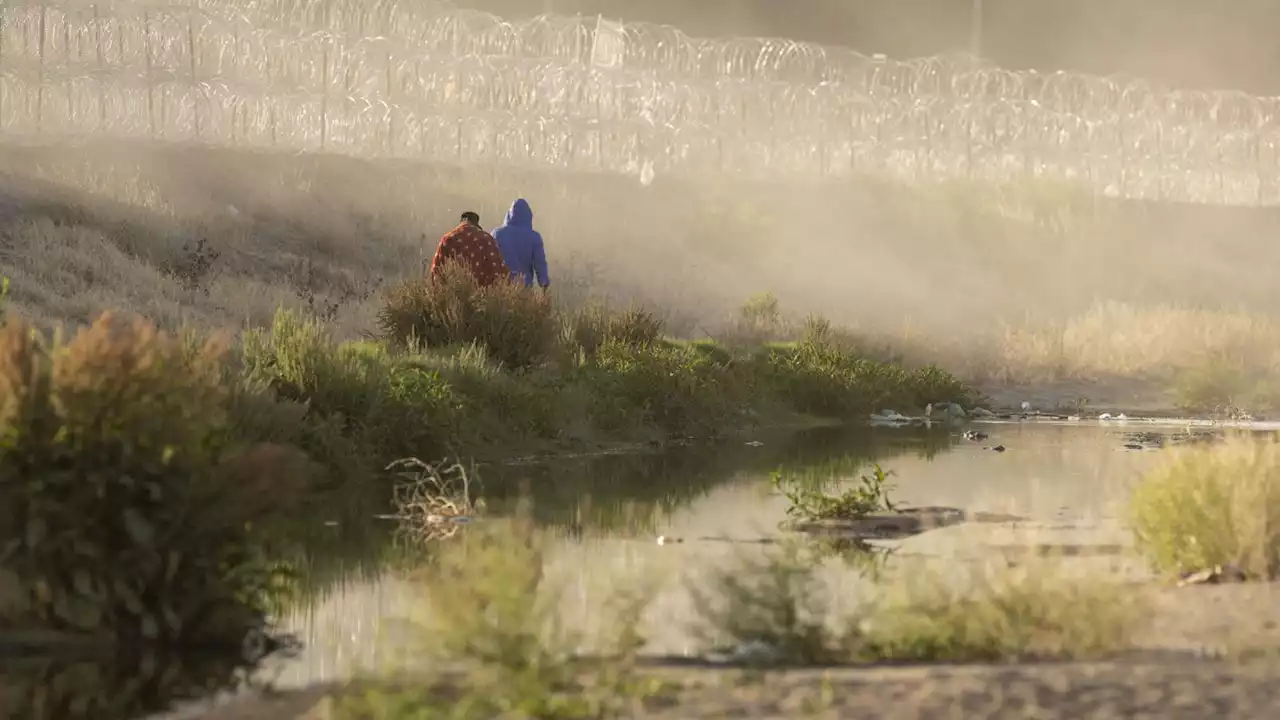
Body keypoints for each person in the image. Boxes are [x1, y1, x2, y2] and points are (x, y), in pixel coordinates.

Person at [427, 210, 509, 287]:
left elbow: (436, 272)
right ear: (476, 223)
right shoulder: (486, 239)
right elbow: (498, 272)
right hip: (482, 297)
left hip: (452, 297)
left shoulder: (448, 238)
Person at [491, 198, 550, 291]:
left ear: (509, 214)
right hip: (524, 287)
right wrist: (544, 284)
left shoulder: (497, 234)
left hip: (501, 287)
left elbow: (490, 259)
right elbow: (540, 263)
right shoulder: (534, 237)